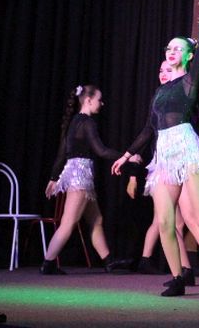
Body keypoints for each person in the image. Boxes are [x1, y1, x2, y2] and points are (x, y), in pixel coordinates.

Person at [112, 7, 199, 299]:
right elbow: (149, 128)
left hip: (187, 149)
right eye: (169, 48)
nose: (171, 52)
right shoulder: (160, 91)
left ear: (188, 55)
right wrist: (126, 155)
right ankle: (177, 278)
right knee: (165, 221)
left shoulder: (189, 81)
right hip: (164, 155)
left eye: (178, 48)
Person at [128, 55, 199, 292]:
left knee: (193, 220)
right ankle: (184, 272)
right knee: (170, 224)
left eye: (167, 69)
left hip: (184, 161)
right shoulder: (159, 98)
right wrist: (128, 156)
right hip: (162, 166)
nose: (163, 74)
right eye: (160, 70)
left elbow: (196, 121)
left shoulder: (184, 94)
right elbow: (148, 130)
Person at [41, 85, 133, 274]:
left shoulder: (75, 121)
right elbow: (101, 151)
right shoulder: (88, 123)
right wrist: (127, 156)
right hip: (80, 177)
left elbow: (62, 153)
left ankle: (108, 261)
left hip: (77, 174)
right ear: (89, 101)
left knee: (96, 219)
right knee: (68, 223)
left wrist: (54, 177)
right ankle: (48, 264)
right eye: (99, 100)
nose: (102, 103)